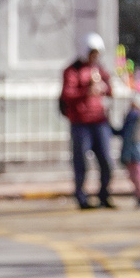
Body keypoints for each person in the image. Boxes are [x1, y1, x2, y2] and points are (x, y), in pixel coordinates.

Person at [60, 35, 115, 209]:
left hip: (99, 120)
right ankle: (81, 196)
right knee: (81, 161)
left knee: (106, 160)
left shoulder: (99, 69)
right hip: (80, 122)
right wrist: (86, 91)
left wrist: (105, 87)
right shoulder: (73, 70)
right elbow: (67, 94)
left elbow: (110, 88)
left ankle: (104, 194)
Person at [117, 88, 140, 207]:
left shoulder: (135, 116)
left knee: (137, 176)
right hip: (133, 152)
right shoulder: (135, 117)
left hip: (136, 152)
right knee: (135, 176)